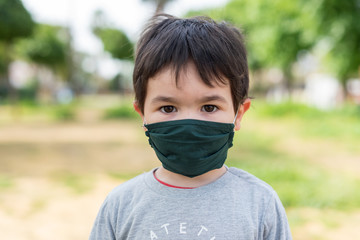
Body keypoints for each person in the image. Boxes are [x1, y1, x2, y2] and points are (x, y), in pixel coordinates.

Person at [89, 14, 292, 239]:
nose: (190, 126)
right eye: (168, 108)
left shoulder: (260, 204)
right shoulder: (120, 206)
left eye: (209, 107)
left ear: (239, 114)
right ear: (142, 114)